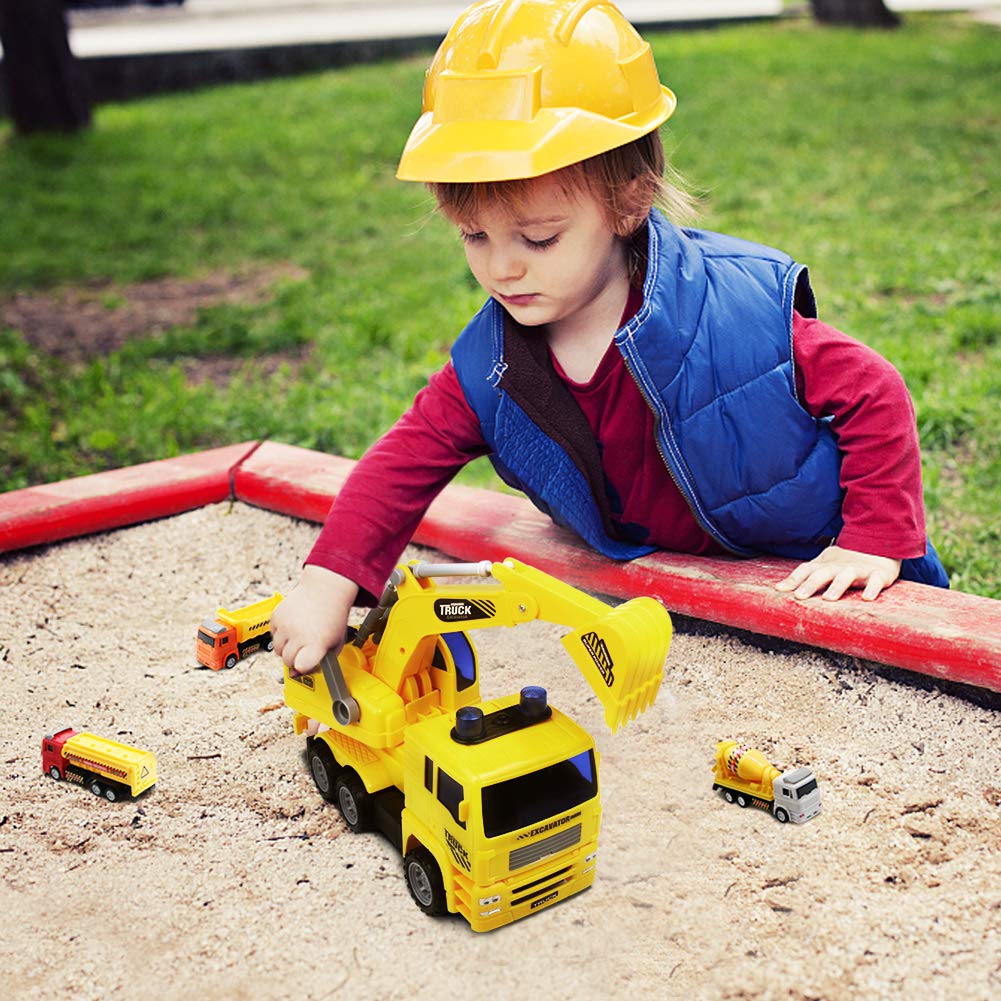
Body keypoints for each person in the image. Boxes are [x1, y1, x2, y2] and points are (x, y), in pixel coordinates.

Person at [271, 0, 947, 676]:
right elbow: (403, 461)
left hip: (827, 563)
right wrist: (328, 576)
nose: (501, 267)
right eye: (474, 236)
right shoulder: (493, 366)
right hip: (692, 604)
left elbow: (872, 388)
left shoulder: (731, 312)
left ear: (630, 200)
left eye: (538, 238)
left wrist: (871, 541)